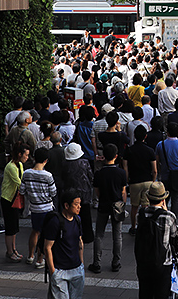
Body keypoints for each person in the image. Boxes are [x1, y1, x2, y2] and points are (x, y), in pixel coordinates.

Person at [135, 181, 178, 299]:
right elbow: (176, 238)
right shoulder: (168, 216)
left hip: (143, 262)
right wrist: (165, 210)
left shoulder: (140, 214)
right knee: (162, 294)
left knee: (145, 293)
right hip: (163, 263)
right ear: (163, 200)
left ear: (149, 198)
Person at [89, 143, 128, 273]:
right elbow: (123, 192)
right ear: (116, 156)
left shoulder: (99, 173)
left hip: (103, 205)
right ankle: (116, 262)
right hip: (117, 205)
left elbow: (97, 191)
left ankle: (97, 263)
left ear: (103, 156)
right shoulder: (121, 173)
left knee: (99, 234)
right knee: (117, 235)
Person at [43, 190, 86, 299]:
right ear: (66, 205)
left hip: (76, 269)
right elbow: (47, 247)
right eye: (76, 204)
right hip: (60, 270)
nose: (79, 207)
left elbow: (80, 242)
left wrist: (81, 264)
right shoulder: (55, 222)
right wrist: (53, 272)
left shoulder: (77, 220)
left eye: (79, 204)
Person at [21, 146, 57, 268]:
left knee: (35, 231)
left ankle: (30, 255)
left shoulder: (26, 173)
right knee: (45, 234)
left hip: (34, 208)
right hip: (46, 208)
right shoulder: (48, 176)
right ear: (46, 160)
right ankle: (39, 259)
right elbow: (53, 193)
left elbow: (21, 190)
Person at [123, 125, 157, 234]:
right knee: (145, 206)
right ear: (145, 136)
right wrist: (153, 181)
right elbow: (154, 170)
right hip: (147, 181)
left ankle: (133, 227)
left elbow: (125, 167)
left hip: (134, 181)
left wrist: (127, 179)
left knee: (134, 207)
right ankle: (144, 227)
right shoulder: (150, 151)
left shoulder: (129, 150)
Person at [156, 122, 178, 220]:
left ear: (167, 132)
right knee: (176, 201)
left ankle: (162, 218)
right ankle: (173, 220)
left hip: (165, 175)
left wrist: (160, 172)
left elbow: (157, 161)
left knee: (164, 200)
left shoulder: (160, 144)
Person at [0, 144, 29, 262]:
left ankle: (13, 249)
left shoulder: (20, 165)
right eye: (26, 155)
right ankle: (10, 251)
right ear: (19, 154)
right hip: (8, 199)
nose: (27, 157)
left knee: (14, 226)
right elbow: (19, 183)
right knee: (10, 227)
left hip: (15, 198)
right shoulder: (11, 167)